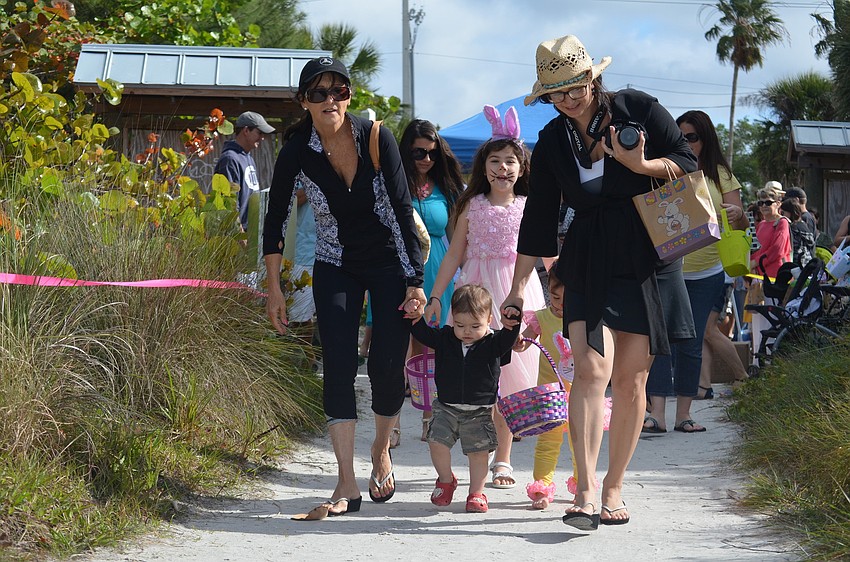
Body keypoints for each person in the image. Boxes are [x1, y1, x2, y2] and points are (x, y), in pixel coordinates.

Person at [503, 34, 697, 530]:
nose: (569, 99)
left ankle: (614, 487)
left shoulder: (637, 109)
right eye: (556, 93)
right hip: (588, 257)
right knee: (589, 369)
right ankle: (585, 491)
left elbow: (688, 163)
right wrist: (517, 287)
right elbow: (538, 219)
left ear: (593, 77)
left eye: (575, 86)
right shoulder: (552, 139)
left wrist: (641, 165)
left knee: (631, 381)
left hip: (648, 255)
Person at [263, 57, 426, 520]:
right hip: (335, 262)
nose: (330, 100)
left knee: (387, 366)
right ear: (304, 102)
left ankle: (380, 449)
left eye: (339, 91)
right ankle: (345, 480)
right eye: (319, 93)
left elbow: (402, 208)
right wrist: (274, 288)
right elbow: (275, 218)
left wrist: (414, 280)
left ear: (349, 96)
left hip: (389, 262)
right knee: (337, 362)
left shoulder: (376, 137)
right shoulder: (298, 150)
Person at [424, 106, 546, 491]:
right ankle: (477, 452)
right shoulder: (471, 204)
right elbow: (454, 255)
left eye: (510, 161)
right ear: (484, 166)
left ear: (522, 168)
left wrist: (564, 292)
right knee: (477, 375)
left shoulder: (530, 206)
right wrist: (436, 295)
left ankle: (503, 458)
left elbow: (549, 257)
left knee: (510, 378)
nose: (502, 168)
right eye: (495, 161)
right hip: (474, 295)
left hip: (518, 292)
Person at [644, 110, 748, 433]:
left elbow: (742, 222)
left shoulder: (720, 174)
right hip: (667, 269)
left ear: (706, 138)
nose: (687, 142)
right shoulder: (665, 166)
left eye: (692, 137)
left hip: (707, 272)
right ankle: (656, 414)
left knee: (691, 342)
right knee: (660, 342)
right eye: (681, 136)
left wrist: (736, 214)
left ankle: (684, 415)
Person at [408, 285, 520, 513]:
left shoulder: (493, 342)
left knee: (478, 454)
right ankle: (446, 480)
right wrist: (415, 315)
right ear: (453, 320)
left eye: (475, 326)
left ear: (489, 320)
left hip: (479, 410)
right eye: (460, 325)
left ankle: (476, 493)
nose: (467, 331)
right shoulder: (446, 338)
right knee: (436, 442)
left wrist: (512, 321)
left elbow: (509, 337)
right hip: (446, 407)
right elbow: (423, 334)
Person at [398, 119, 466, 443]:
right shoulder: (394, 184)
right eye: (418, 152)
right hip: (400, 269)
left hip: (439, 271)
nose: (426, 159)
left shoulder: (446, 189)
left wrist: (466, 277)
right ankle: (392, 422)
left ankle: (429, 418)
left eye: (432, 153)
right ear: (406, 152)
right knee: (399, 345)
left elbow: (456, 239)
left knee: (433, 347)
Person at [514, 262, 579, 509]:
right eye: (555, 297)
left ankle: (581, 485)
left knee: (579, 441)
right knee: (548, 440)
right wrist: (519, 341)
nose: (560, 304)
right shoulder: (542, 317)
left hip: (579, 392)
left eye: (566, 299)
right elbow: (524, 344)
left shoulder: (582, 319)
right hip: (550, 393)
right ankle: (542, 486)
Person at [215, 111, 275, 232]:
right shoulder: (230, 159)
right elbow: (228, 202)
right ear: (246, 131)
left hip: (250, 233)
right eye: (259, 133)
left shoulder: (248, 158)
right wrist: (239, 234)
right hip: (235, 236)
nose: (262, 138)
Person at [750, 183, 791, 279]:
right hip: (759, 275)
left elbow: (777, 250)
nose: (764, 205)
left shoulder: (782, 222)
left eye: (768, 203)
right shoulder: (761, 224)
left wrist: (755, 262)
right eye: (761, 203)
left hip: (776, 275)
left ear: (778, 204)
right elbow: (755, 248)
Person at [780, 199, 815, 266]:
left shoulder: (792, 228)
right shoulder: (803, 225)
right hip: (806, 261)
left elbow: (792, 248)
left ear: (790, 212)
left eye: (782, 213)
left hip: (796, 263)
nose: (781, 216)